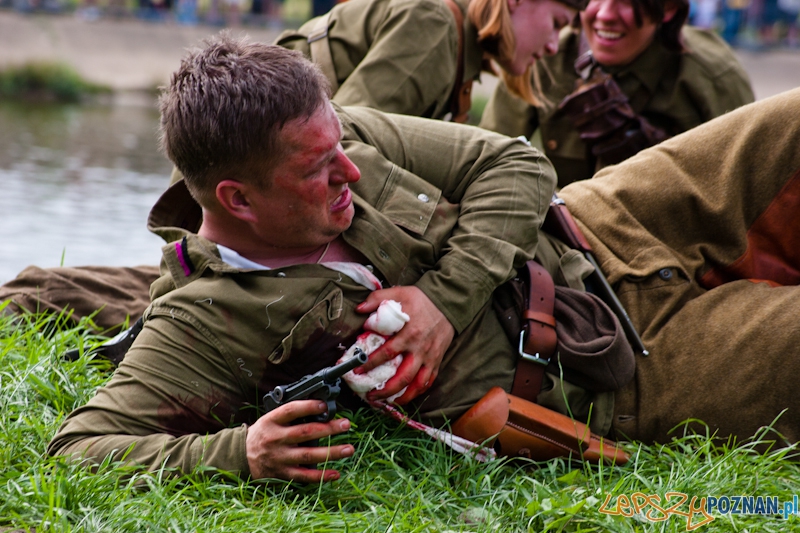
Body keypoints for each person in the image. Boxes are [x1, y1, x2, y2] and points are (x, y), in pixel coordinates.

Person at [47, 36, 565, 483]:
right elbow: (78, 447)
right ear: (239, 200)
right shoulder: (202, 319)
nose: (350, 171)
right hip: (584, 367)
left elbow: (518, 163)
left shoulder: (323, 135)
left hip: (584, 238)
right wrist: (240, 453)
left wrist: (444, 302)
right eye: (318, 168)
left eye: (339, 144)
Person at [479, 0, 755, 187]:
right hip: (567, 237)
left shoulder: (712, 76)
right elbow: (490, 159)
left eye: (626, 1)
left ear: (668, 8)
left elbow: (744, 189)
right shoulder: (544, 57)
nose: (605, 14)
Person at [275, 0, 586, 123]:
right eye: (557, 23)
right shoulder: (435, 24)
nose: (552, 46)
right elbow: (348, 137)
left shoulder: (459, 41)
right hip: (270, 123)